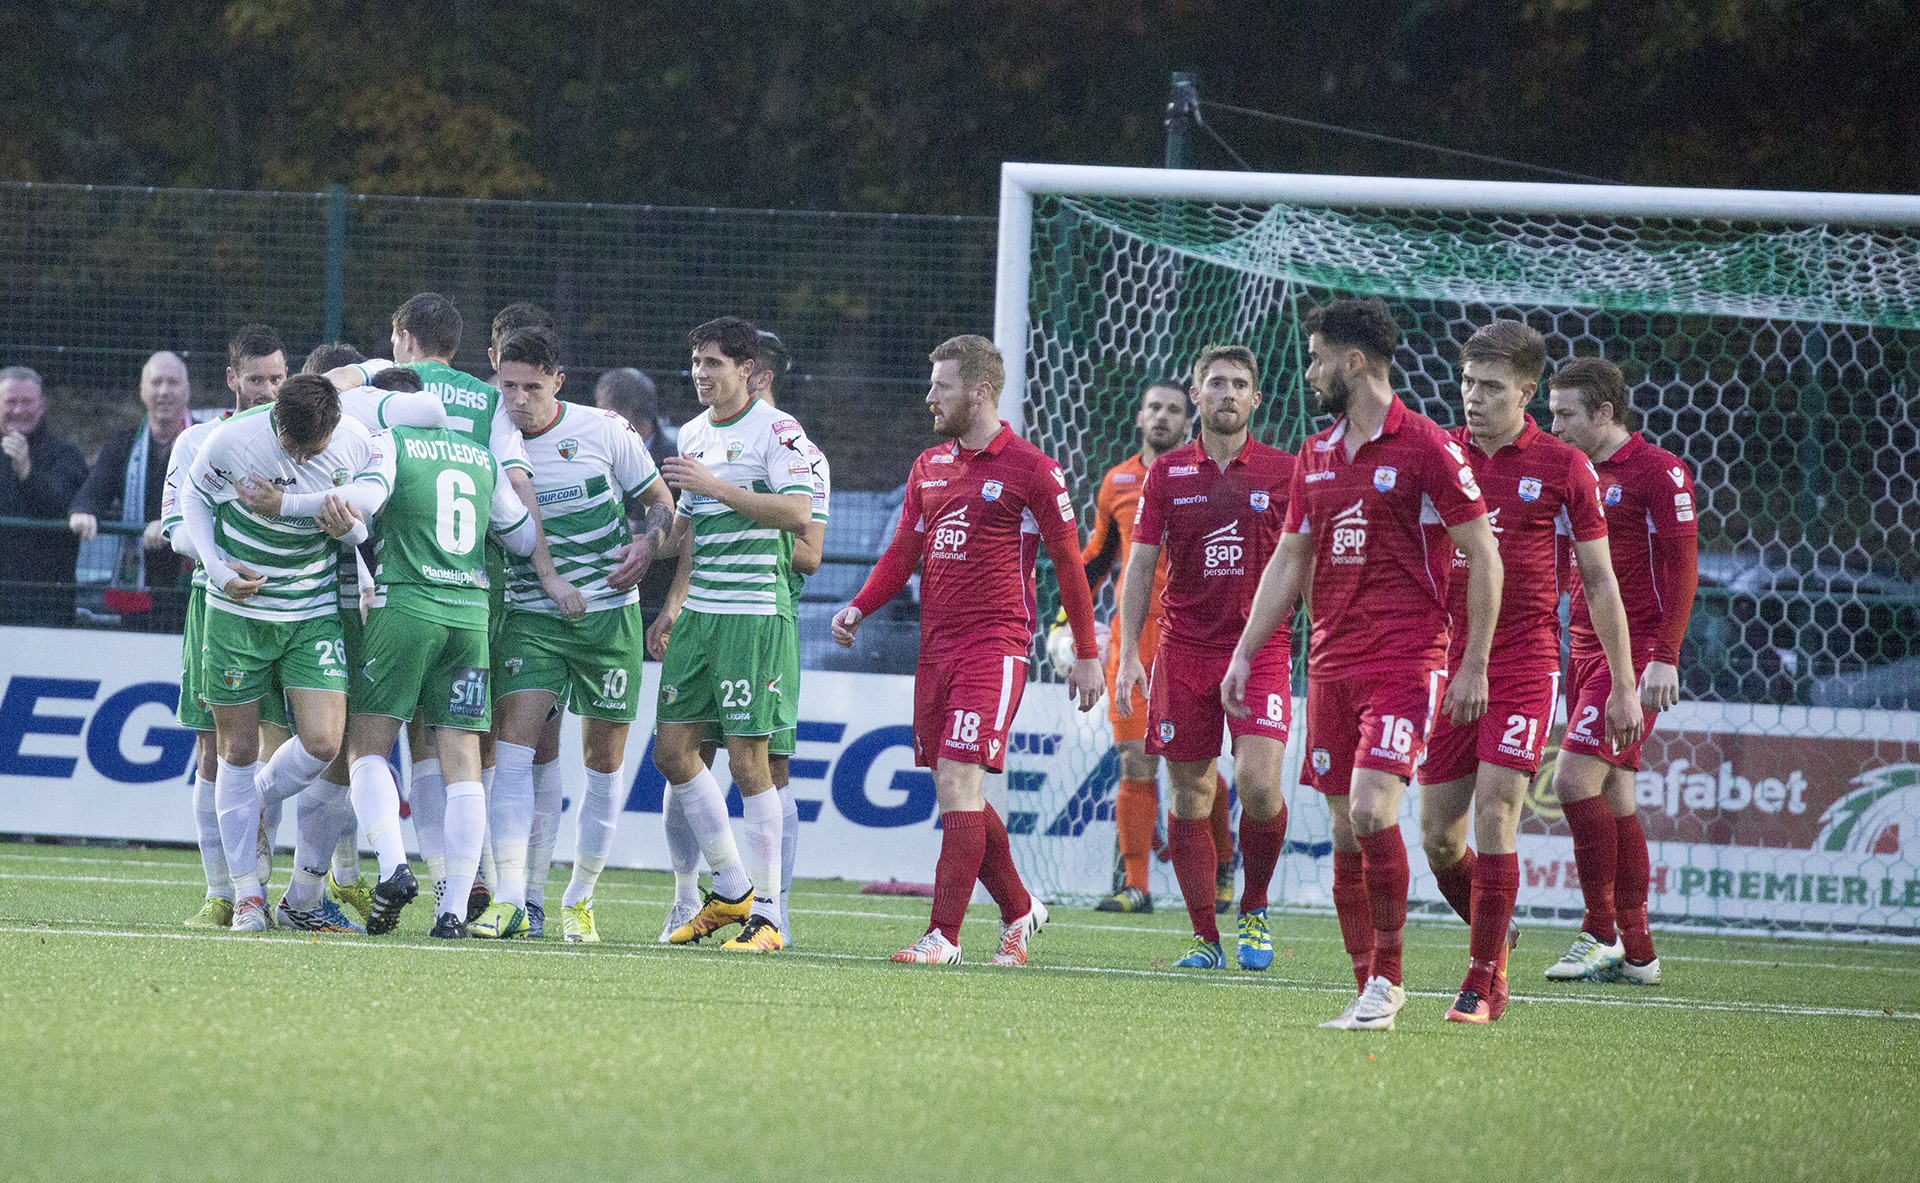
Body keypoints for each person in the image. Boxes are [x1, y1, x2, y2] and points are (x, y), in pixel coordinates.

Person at [1223, 298, 1502, 1030]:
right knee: (1347, 830)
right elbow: (1291, 557)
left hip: (1406, 659)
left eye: (1317, 357)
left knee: (1377, 809)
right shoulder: (1315, 455)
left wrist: (1473, 662)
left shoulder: (1429, 448)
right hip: (1330, 664)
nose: (1309, 371)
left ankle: (1389, 981)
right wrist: (1248, 650)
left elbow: (1487, 553)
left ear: (1352, 362)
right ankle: (1364, 984)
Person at [833, 334, 1104, 966]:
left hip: (996, 645)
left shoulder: (1033, 469)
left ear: (980, 391)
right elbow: (905, 552)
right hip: (937, 650)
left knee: (959, 778)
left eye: (941, 386)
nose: (929, 397)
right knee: (959, 793)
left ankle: (943, 937)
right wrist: (858, 605)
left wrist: (1087, 651)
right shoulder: (928, 466)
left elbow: (1069, 563)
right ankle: (1020, 909)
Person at [1415, 321, 1642, 1023]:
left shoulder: (1562, 466)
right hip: (1448, 662)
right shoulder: (1439, 454)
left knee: (1496, 814)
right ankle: (1496, 925)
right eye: (1466, 383)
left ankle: (1484, 981)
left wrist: (1626, 682)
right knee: (1437, 835)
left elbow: (1600, 583)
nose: (1473, 398)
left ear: (1527, 390)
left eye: (1490, 386)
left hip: (1522, 662)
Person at [480, 326, 672, 941]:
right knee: (514, 745)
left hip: (610, 614)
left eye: (531, 388)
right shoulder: (493, 434)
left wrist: (648, 545)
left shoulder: (605, 431)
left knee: (604, 761)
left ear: (558, 383)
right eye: (507, 386)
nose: (516, 400)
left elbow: (661, 504)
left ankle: (579, 899)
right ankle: (515, 898)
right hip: (533, 615)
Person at [177, 374, 385, 932]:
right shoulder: (233, 441)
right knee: (236, 751)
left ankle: (258, 804)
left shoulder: (356, 439)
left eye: (309, 448)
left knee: (323, 741)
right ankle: (248, 895)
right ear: (275, 418)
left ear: (334, 427)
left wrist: (317, 515)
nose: (297, 455)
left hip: (310, 610)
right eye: (289, 444)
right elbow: (193, 497)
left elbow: (374, 493)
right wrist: (218, 570)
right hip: (239, 614)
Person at [1112, 347, 1296, 971]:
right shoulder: (1165, 476)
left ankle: (1254, 907)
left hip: (1261, 647)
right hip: (1183, 649)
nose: (1226, 393)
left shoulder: (1284, 471)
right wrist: (1131, 655)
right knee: (1189, 793)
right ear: (1198, 394)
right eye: (1215, 383)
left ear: (1255, 400)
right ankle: (1204, 938)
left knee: (1258, 784)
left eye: (1238, 385)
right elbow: (1139, 567)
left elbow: (1307, 562)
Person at [334, 402, 543, 938]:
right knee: (464, 764)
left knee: (366, 748)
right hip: (469, 616)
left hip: (404, 607)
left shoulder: (391, 441)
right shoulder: (480, 456)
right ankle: (451, 911)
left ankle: (393, 864)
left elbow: (368, 501)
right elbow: (521, 538)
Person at [648, 329, 826, 947]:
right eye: (695, 361)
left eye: (713, 363)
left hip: (754, 615)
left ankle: (771, 915)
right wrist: (645, 546)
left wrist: (716, 486)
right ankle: (729, 889)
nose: (701, 373)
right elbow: (686, 530)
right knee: (671, 752)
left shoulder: (778, 433)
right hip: (700, 613)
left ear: (748, 370)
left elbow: (800, 516)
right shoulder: (694, 434)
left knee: (754, 764)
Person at [1542, 356, 1699, 986]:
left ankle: (1598, 931)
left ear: (1604, 413)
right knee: (1614, 794)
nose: (1551, 425)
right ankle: (1638, 952)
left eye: (1564, 414)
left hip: (1632, 658)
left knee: (1574, 780)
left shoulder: (1659, 472)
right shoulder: (1570, 473)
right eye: (1548, 412)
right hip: (1580, 652)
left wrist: (1666, 655)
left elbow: (1684, 569)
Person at [1078, 379, 1237, 916]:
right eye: (1154, 407)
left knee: (1197, 765)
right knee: (1135, 757)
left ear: (1188, 420)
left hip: (1196, 633)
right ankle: (1136, 884)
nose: (1163, 416)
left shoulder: (1212, 476)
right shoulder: (1117, 480)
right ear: (1139, 416)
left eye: (1173, 409)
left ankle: (1222, 867)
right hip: (1134, 637)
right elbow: (1096, 561)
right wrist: (1063, 622)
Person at [161, 324, 289, 927]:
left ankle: (266, 862)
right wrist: (217, 560)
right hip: (215, 605)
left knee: (283, 744)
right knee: (214, 749)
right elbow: (173, 526)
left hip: (292, 606)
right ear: (232, 379)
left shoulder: (303, 440)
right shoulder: (195, 442)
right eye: (256, 378)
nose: (268, 390)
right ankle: (222, 890)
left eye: (278, 378)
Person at [70, 350, 195, 596]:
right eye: (156, 382)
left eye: (173, 383)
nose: (163, 391)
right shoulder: (122, 445)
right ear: (142, 391)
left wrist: (172, 524)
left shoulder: (207, 441)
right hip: (140, 585)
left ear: (187, 390)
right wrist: (82, 511)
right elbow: (95, 490)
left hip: (192, 586)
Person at [0, 365, 87, 625]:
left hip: (46, 607)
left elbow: (69, 507)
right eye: (10, 402)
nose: (18, 410)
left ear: (42, 405)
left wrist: (27, 473)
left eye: (27, 402)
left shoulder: (66, 455)